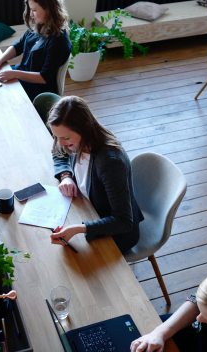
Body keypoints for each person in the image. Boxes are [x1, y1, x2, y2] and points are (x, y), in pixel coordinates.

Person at [48, 96, 144, 253]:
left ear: (85, 127)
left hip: (115, 234)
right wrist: (66, 176)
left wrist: (80, 229)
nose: (60, 143)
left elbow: (123, 221)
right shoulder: (77, 140)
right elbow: (58, 151)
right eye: (57, 136)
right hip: (88, 210)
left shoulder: (110, 162)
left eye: (66, 137)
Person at [0, 0, 72, 101]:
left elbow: (44, 77)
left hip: (38, 89)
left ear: (48, 9)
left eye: (34, 10)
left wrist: (14, 74)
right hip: (23, 74)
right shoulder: (38, 25)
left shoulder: (59, 40)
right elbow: (18, 46)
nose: (31, 14)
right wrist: (1, 59)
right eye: (30, 9)